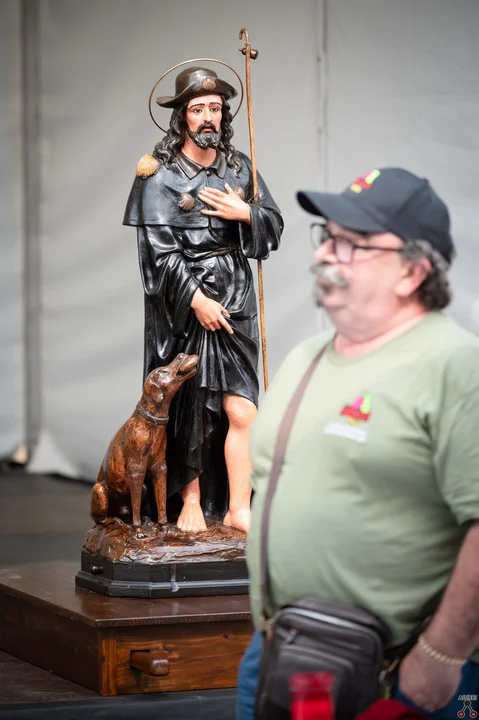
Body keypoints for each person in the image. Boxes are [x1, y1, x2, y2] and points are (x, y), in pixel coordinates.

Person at [237, 168, 479, 719]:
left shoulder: (456, 365)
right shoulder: (306, 356)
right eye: (328, 237)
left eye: (353, 243)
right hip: (281, 650)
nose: (327, 254)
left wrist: (441, 656)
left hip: (401, 672)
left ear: (413, 272)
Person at [123, 67, 283, 534]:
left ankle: (238, 507)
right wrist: (195, 300)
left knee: (242, 408)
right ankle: (190, 500)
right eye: (198, 109)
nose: (208, 117)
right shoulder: (159, 176)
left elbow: (273, 225)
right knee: (190, 407)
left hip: (236, 295)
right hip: (185, 304)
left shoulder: (239, 167)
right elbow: (158, 252)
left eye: (215, 108)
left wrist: (247, 212)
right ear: (182, 117)